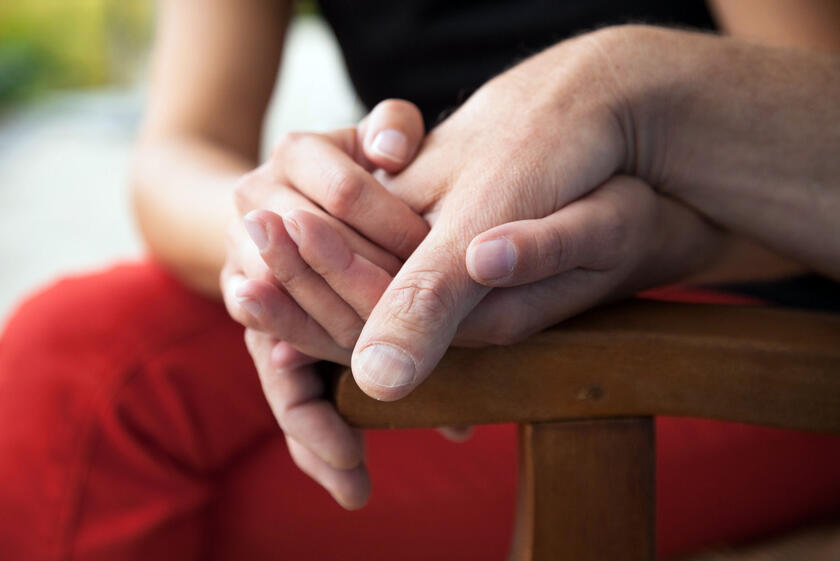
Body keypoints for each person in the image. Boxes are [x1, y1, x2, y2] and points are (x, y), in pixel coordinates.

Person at [1, 1, 839, 560]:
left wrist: (663, 212)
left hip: (742, 302)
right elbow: (178, 152)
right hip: (440, 288)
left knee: (85, 454)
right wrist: (294, 228)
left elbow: (808, 149)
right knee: (84, 370)